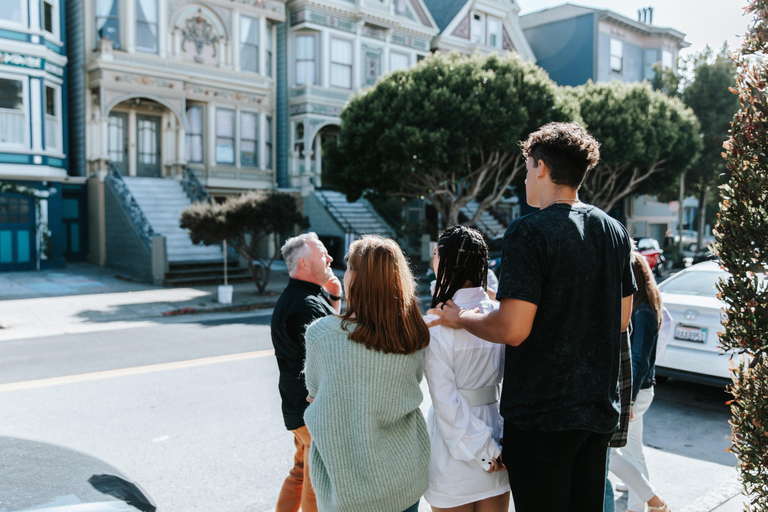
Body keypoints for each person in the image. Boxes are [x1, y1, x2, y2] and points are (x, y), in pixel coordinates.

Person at [428, 122, 636, 512]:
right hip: (595, 414)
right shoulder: (614, 230)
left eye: (525, 169)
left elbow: (513, 328)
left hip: (542, 420)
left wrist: (462, 319)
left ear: (541, 167)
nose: (525, 178)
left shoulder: (529, 231)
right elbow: (621, 320)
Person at [303, 235, 431, 512]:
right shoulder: (412, 335)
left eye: (349, 266)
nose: (343, 271)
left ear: (359, 278)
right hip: (405, 479)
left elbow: (314, 397)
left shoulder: (321, 335)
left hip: (347, 490)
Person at [423, 225, 511, 512]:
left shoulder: (435, 323)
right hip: (498, 436)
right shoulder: (500, 316)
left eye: (436, 254)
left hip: (455, 447)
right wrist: (494, 448)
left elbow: (446, 402)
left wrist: (483, 451)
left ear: (444, 262)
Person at [270, 233, 342, 512]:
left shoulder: (301, 298)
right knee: (318, 480)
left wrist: (334, 298)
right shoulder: (305, 304)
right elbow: (329, 354)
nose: (330, 258)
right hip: (311, 411)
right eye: (323, 254)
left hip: (296, 407)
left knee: (301, 470)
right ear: (304, 264)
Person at [608, 251, 671, 512]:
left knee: (606, 450)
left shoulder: (643, 311)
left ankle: (650, 499)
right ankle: (642, 506)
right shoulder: (642, 305)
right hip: (637, 391)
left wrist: (628, 399)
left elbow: (640, 360)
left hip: (636, 392)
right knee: (634, 452)